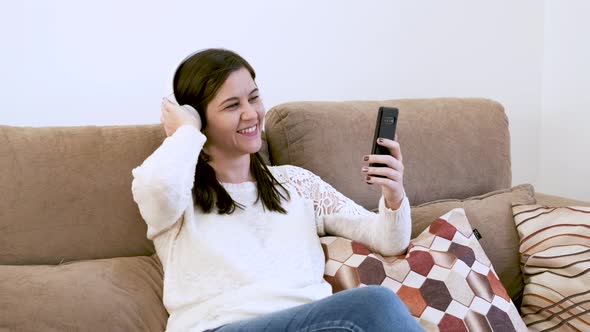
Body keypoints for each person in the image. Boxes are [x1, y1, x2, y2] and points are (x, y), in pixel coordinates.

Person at [131, 48, 423, 332]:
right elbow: (160, 187)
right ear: (198, 118)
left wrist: (393, 195)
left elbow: (387, 242)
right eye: (232, 105)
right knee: (373, 304)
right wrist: (186, 131)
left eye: (254, 98)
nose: (251, 114)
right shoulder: (178, 193)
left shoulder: (295, 183)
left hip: (317, 324)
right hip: (219, 326)